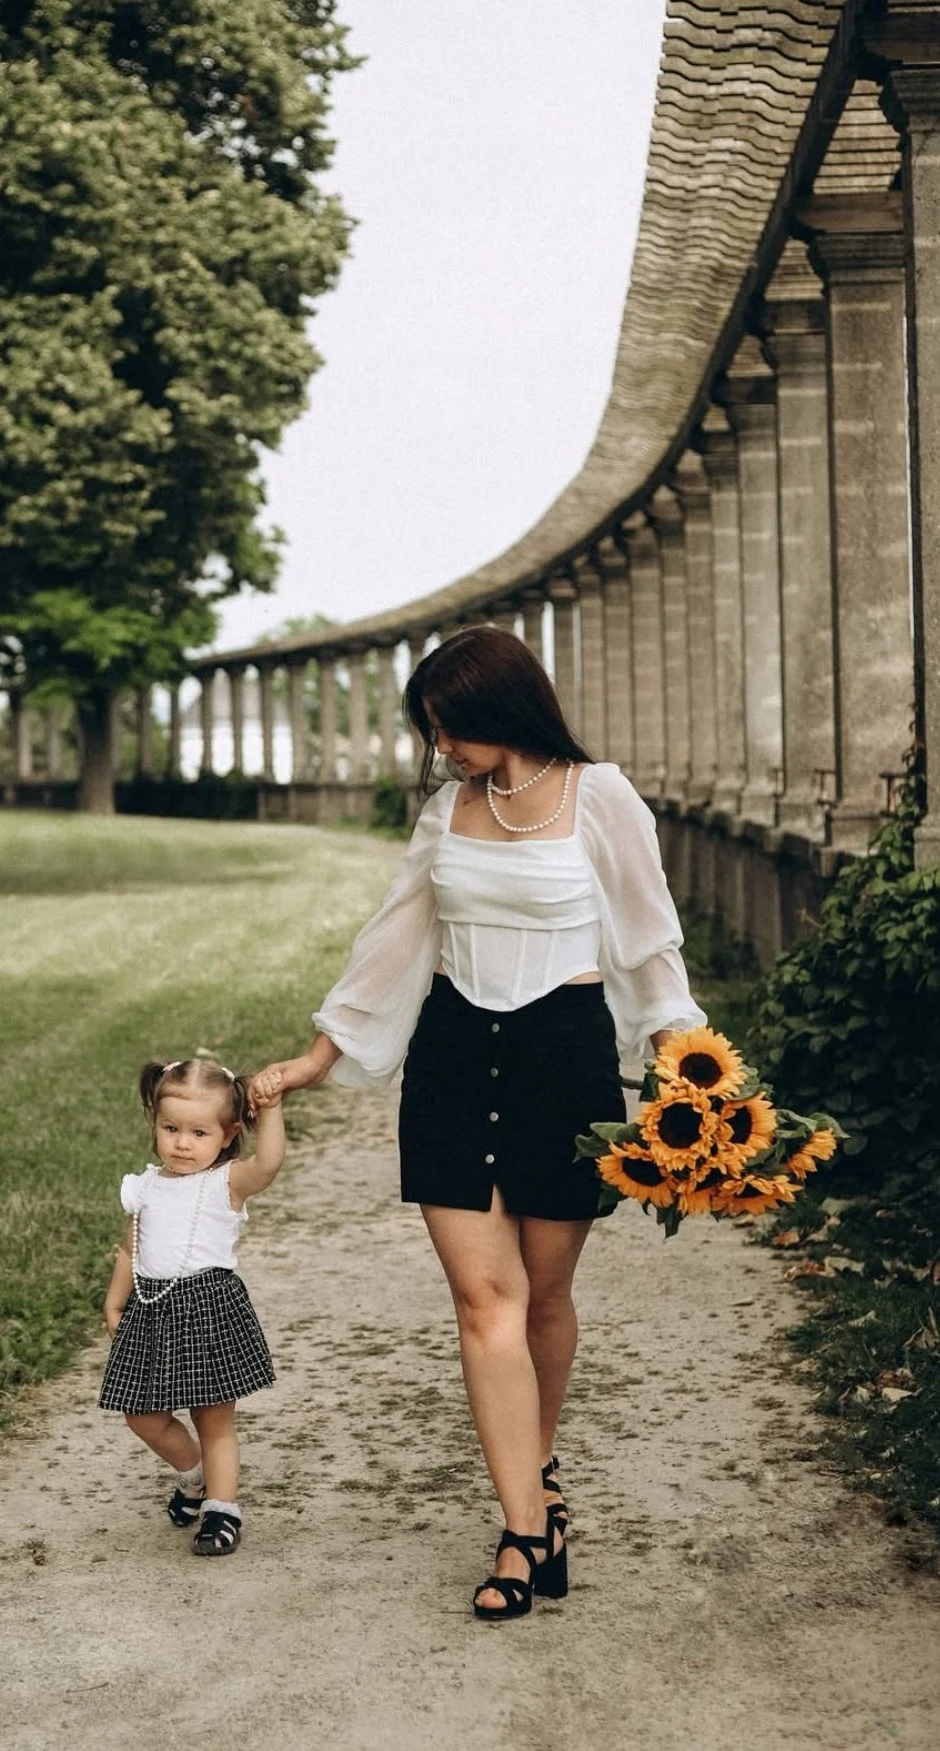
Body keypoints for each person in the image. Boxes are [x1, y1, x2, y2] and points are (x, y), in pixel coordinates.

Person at [255, 625, 706, 1618]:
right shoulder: (444, 816)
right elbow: (394, 939)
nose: (441, 747)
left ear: (502, 707)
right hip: (455, 1060)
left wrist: (687, 1064)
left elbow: (648, 938)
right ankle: (522, 1528)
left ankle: (537, 1475)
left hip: (563, 1061)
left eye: (449, 727)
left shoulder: (602, 798)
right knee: (482, 1299)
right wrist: (319, 1055)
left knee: (543, 1297)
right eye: (432, 732)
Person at [99, 1056, 285, 1557]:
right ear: (155, 1124)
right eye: (171, 1128)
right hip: (151, 1307)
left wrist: (270, 1111)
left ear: (226, 1136)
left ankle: (222, 1509)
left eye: (199, 1132)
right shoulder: (145, 1187)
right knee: (141, 1413)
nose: (182, 1142)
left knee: (212, 1416)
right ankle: (195, 1476)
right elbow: (130, 1248)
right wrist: (115, 1302)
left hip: (206, 1306)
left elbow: (268, 1164)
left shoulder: (226, 1182)